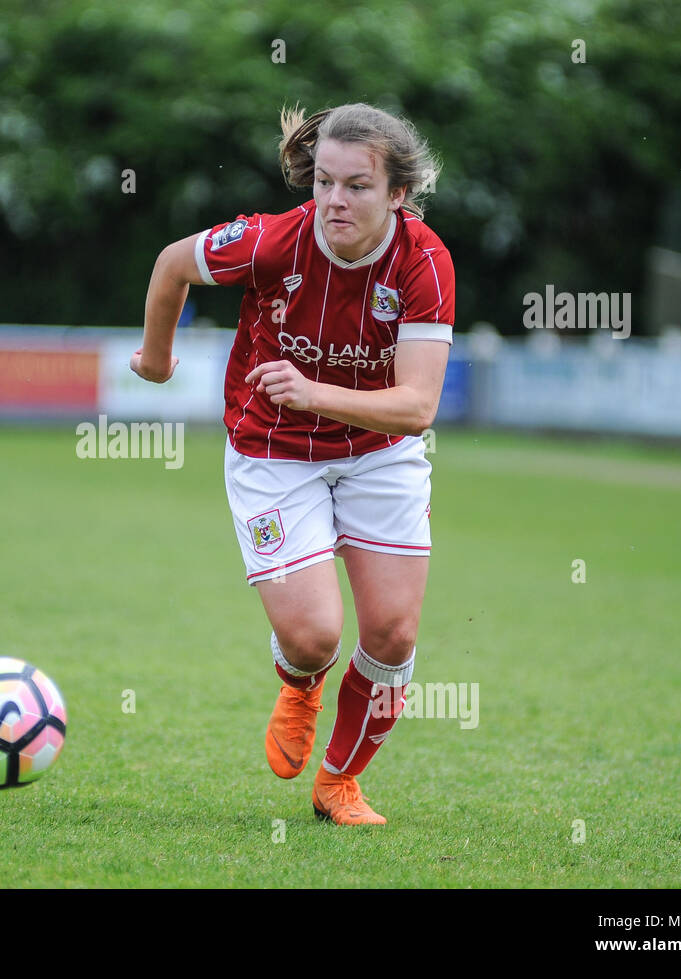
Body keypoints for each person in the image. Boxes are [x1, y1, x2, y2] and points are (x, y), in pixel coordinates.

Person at [133, 103, 454, 825]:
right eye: (323, 182)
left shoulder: (425, 262)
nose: (334, 200)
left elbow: (417, 407)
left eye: (357, 186)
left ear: (397, 194)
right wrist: (155, 360)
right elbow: (171, 265)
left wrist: (315, 390)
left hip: (379, 452)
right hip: (274, 450)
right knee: (314, 636)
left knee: (393, 634)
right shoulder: (273, 241)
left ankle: (338, 782)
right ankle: (301, 679)